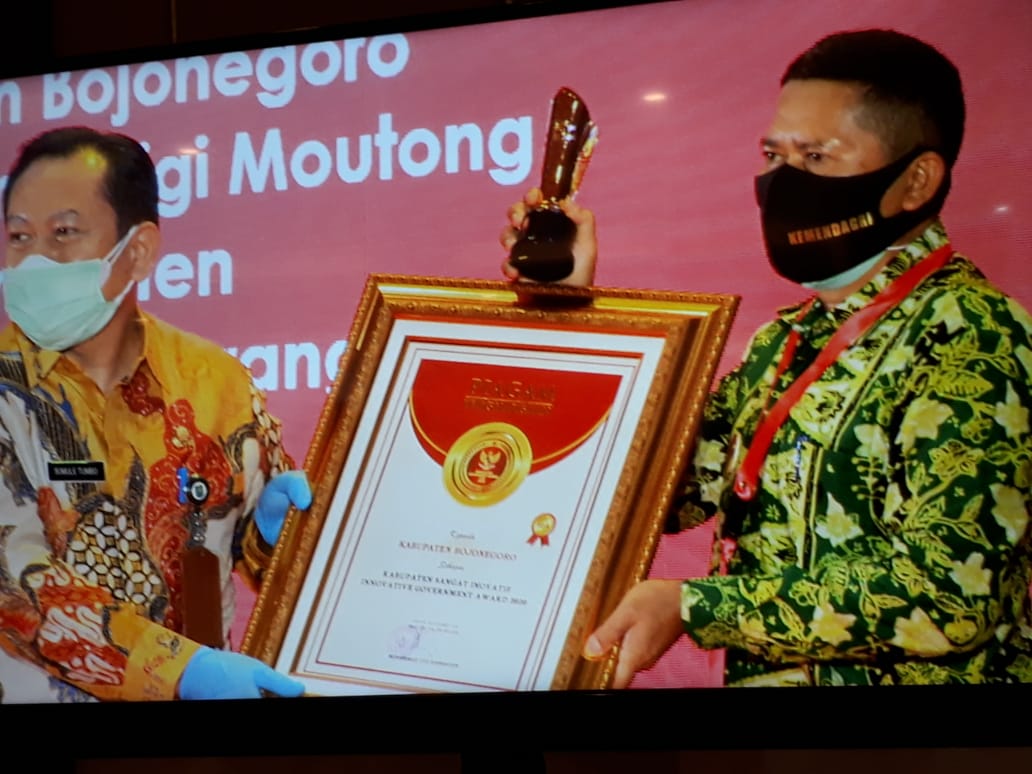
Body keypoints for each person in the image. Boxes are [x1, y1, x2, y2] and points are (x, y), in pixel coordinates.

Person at [501, 29, 1032, 686]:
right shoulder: (782, 341)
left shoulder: (975, 335)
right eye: (774, 154)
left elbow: (948, 597)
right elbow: (662, 492)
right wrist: (568, 310)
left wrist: (697, 607)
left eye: (817, 157)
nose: (784, 182)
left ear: (916, 180)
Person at [0, 126, 312, 702]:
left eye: (63, 233)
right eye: (19, 237)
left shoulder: (215, 379)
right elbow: (12, 584)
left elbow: (277, 571)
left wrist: (279, 537)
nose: (35, 259)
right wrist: (183, 673)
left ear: (138, 250)